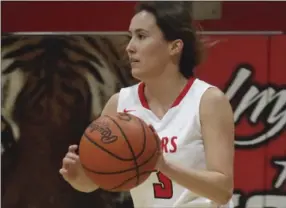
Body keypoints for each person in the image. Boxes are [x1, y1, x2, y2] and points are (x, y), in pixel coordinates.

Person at [59, 1, 235, 208]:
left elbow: (222, 191)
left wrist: (163, 165)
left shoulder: (208, 101)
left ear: (174, 47)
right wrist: (78, 174)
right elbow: (92, 183)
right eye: (130, 36)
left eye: (141, 36)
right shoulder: (120, 103)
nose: (130, 47)